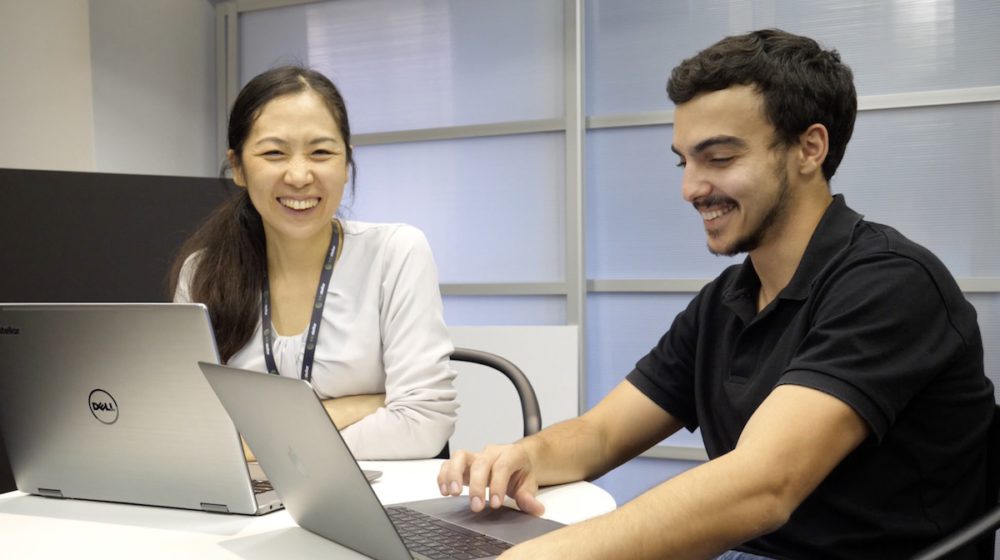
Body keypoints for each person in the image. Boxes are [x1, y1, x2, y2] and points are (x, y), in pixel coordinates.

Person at [437, 29, 995, 559]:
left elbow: (762, 485)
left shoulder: (890, 285)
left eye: (720, 158)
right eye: (684, 161)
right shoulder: (726, 299)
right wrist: (526, 457)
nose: (690, 188)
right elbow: (602, 433)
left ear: (809, 148)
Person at [171, 66, 457, 460]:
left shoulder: (395, 253)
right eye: (274, 153)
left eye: (321, 152)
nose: (300, 175)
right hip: (249, 495)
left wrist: (253, 446)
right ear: (237, 166)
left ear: (346, 163)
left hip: (380, 490)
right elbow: (190, 433)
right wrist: (358, 407)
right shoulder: (203, 273)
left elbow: (423, 425)